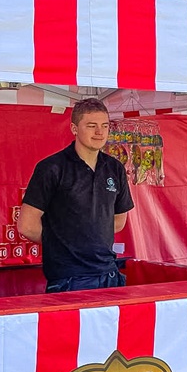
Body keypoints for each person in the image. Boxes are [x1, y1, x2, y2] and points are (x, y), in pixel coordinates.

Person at [19, 98, 134, 292]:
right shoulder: (52, 168)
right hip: (69, 278)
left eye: (104, 126)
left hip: (109, 274)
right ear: (74, 128)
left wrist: (87, 236)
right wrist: (64, 244)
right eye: (91, 126)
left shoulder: (115, 168)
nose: (99, 132)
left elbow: (118, 221)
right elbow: (26, 225)